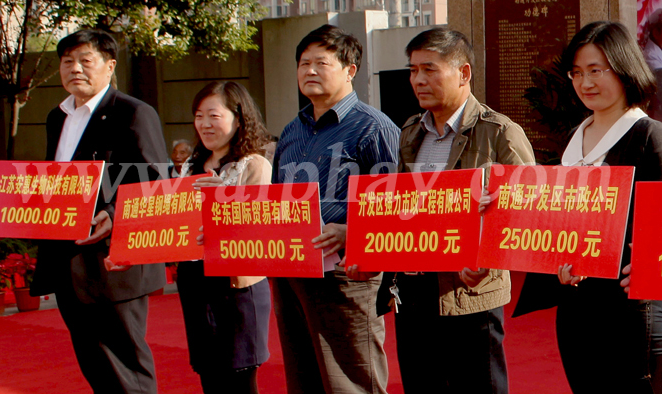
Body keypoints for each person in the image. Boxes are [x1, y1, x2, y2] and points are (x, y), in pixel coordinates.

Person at [0, 29, 169, 393]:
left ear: (109, 66)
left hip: (113, 265)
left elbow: (157, 181)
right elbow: (55, 186)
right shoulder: (57, 116)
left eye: (85, 60)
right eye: (67, 62)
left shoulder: (133, 113)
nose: (75, 68)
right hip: (69, 265)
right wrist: (3, 216)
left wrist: (113, 213)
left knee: (127, 370)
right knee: (96, 366)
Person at [356, 27, 534, 394]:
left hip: (469, 294)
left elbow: (526, 211)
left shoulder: (499, 132)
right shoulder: (410, 132)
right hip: (412, 292)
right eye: (413, 70)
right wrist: (370, 251)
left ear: (463, 73)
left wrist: (487, 260)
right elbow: (398, 209)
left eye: (429, 69)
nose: (418, 80)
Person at [271, 24, 399, 394]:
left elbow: (396, 206)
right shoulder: (292, 131)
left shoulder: (373, 128)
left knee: (351, 382)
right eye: (303, 63)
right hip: (293, 269)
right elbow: (276, 199)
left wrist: (352, 233)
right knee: (304, 378)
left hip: (346, 275)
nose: (309, 71)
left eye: (321, 63)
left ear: (350, 70)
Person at [549, 21, 662, 393]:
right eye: (577, 73)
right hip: (577, 313)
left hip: (634, 314)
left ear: (624, 68)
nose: (586, 83)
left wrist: (656, 264)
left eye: (596, 70)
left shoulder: (649, 137)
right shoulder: (573, 140)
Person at [176, 81, 272, 394]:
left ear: (239, 118)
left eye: (214, 116)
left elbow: (260, 225)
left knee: (239, 378)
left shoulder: (253, 165)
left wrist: (225, 201)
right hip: (195, 281)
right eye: (199, 116)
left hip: (235, 287)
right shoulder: (190, 165)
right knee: (209, 374)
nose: (205, 124)